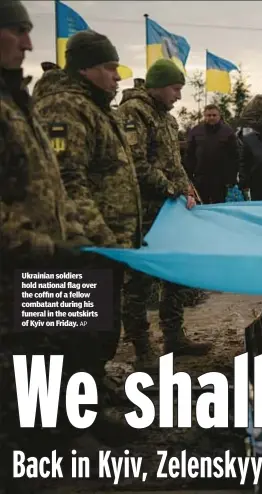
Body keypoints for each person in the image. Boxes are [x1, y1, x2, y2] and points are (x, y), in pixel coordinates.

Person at [0, 3, 113, 489]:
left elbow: (52, 186)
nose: (29, 44)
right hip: (14, 280)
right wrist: (48, 248)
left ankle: (60, 445)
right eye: (18, 32)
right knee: (16, 400)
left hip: (42, 272)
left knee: (58, 361)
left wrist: (79, 239)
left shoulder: (15, 102)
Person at [32, 29, 144, 442]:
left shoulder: (92, 106)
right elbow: (65, 179)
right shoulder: (62, 107)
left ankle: (87, 404)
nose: (117, 77)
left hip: (98, 246)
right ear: (85, 68)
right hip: (75, 249)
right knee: (70, 339)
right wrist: (101, 238)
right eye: (110, 68)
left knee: (94, 336)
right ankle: (70, 430)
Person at [117, 59, 208, 370]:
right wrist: (173, 189)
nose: (178, 96)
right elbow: (135, 163)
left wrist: (188, 188)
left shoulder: (167, 120)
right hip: (142, 210)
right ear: (157, 86)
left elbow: (175, 163)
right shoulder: (134, 112)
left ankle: (174, 336)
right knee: (139, 281)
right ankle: (142, 348)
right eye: (175, 89)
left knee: (175, 272)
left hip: (170, 211)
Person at [185, 104, 239, 204]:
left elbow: (234, 156)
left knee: (219, 206)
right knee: (200, 207)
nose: (211, 118)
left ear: (219, 116)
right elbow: (190, 155)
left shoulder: (228, 132)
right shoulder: (196, 131)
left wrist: (232, 179)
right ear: (204, 116)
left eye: (214, 115)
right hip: (200, 178)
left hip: (220, 180)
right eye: (208, 115)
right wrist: (188, 176)